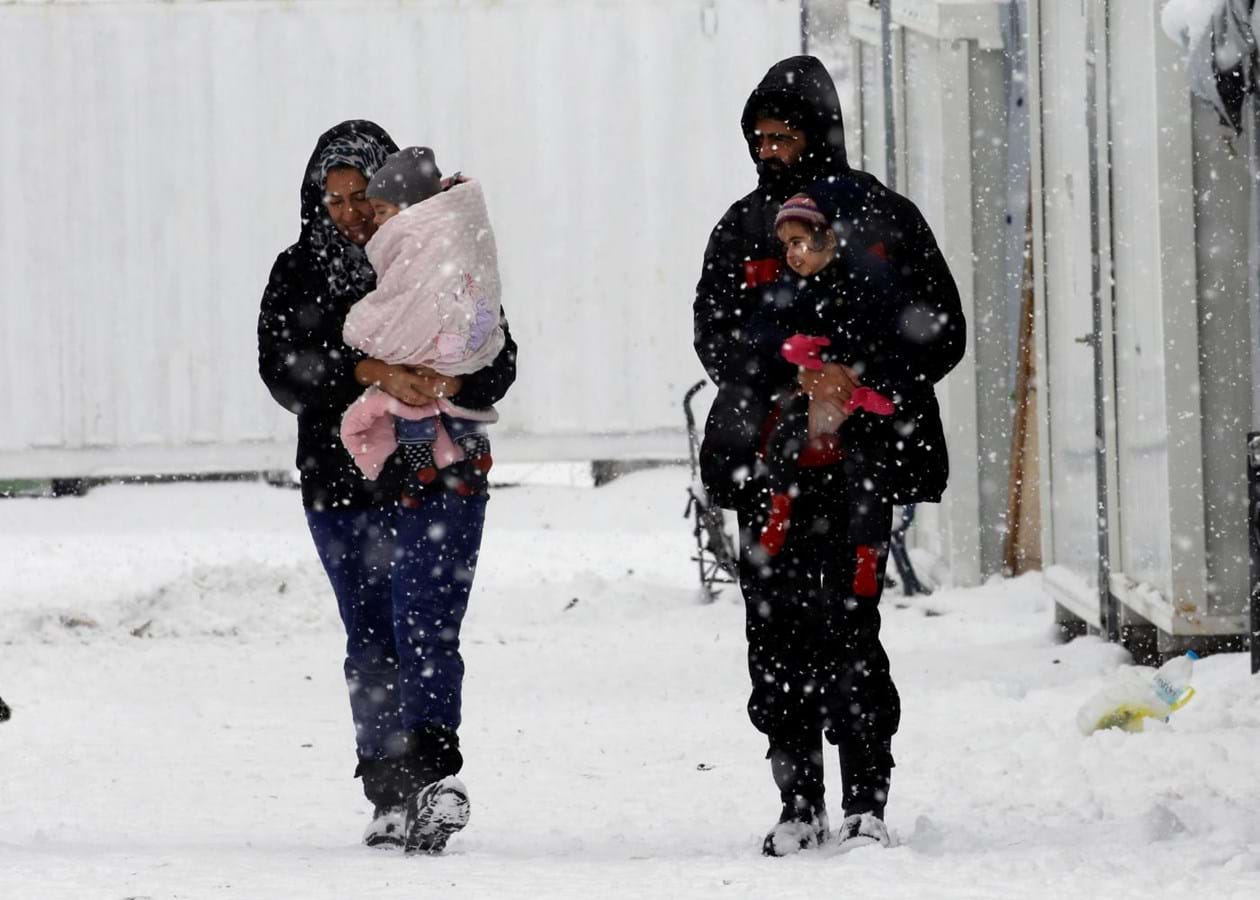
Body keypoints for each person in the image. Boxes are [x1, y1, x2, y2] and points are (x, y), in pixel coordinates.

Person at [693, 57, 964, 856]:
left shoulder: (884, 218)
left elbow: (940, 328)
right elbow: (715, 337)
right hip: (768, 469)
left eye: (783, 135)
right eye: (759, 138)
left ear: (818, 133)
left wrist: (860, 372)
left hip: (865, 465)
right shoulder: (741, 230)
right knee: (774, 634)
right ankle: (797, 798)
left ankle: (866, 797)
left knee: (851, 625)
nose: (769, 150)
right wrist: (790, 372)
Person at [257, 120, 517, 854]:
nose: (346, 211)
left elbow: (499, 354)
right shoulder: (297, 271)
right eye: (331, 197)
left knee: (428, 628)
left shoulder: (435, 251)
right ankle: (388, 790)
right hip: (340, 485)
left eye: (359, 194)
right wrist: (371, 372)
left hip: (433, 470)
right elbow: (285, 370)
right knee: (371, 638)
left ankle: (435, 776)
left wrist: (450, 377)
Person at [340, 146, 503, 487]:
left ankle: (433, 458)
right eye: (336, 200)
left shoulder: (443, 263)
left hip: (453, 488)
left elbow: (502, 362)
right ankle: (463, 447)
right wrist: (380, 373)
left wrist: (453, 381)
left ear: (411, 213)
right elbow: (296, 370)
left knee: (414, 417)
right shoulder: (315, 272)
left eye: (381, 211)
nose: (374, 221)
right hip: (358, 489)